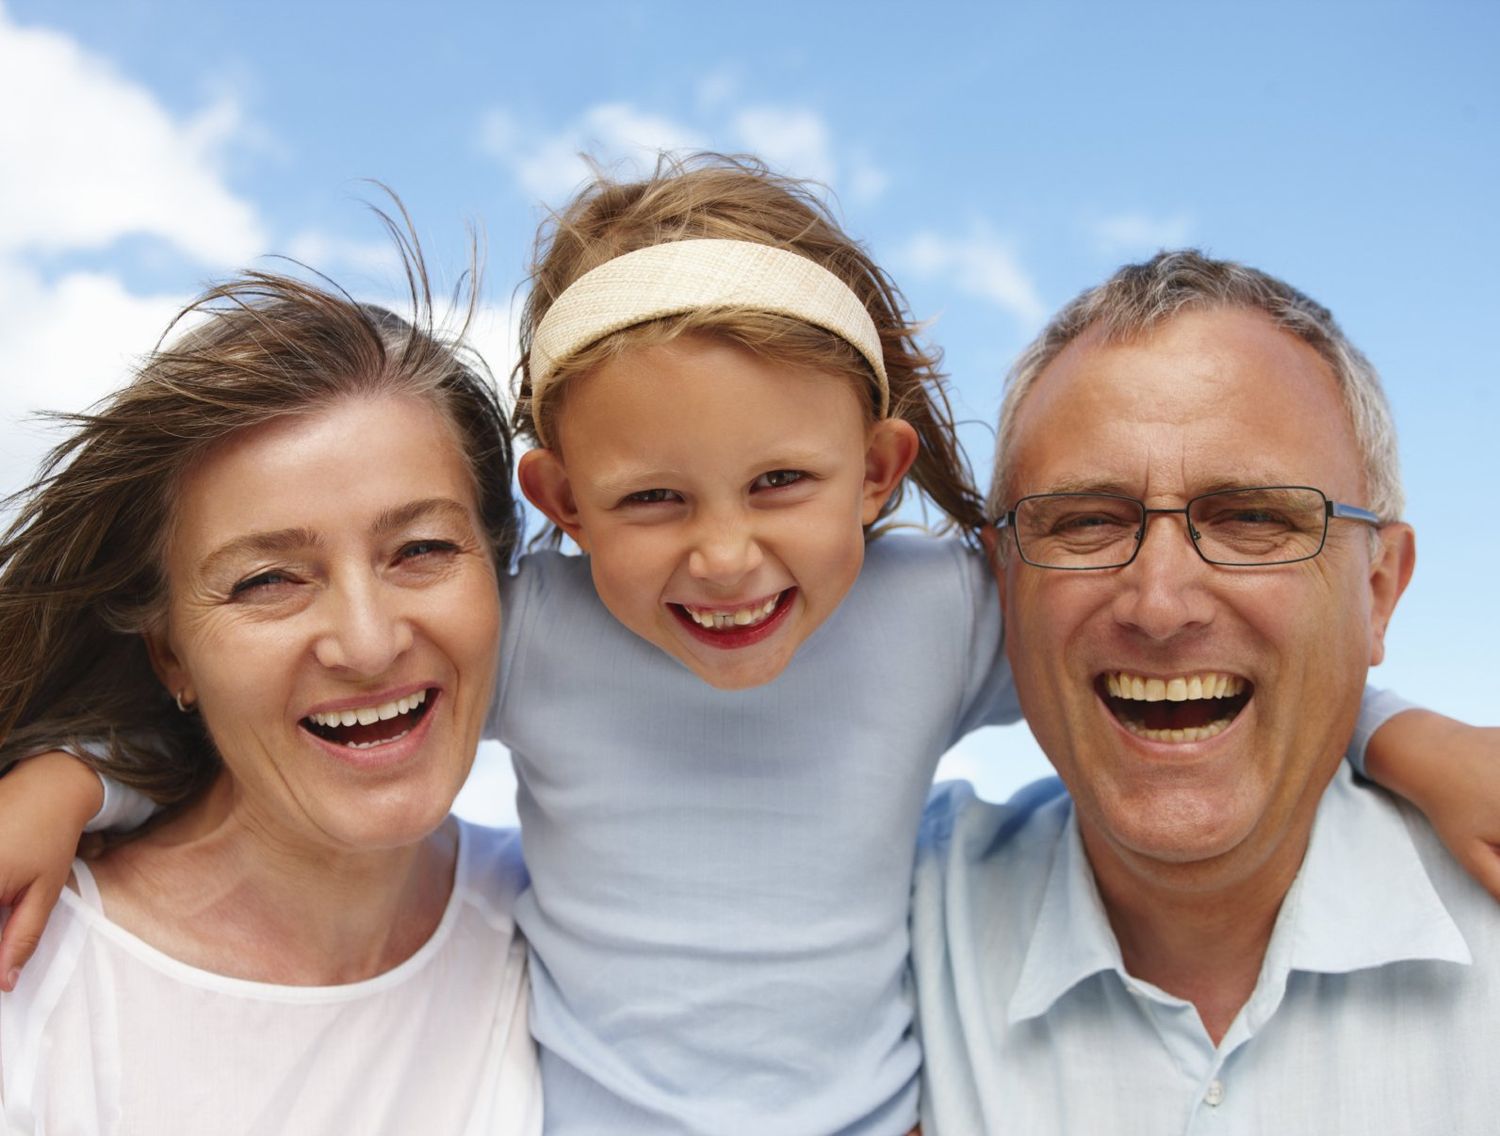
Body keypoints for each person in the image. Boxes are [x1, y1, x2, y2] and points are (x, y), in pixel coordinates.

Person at [3, 159, 1497, 1136]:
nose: (724, 560)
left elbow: (1169, 657)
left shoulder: (929, 613)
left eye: (781, 485)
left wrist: (1408, 742)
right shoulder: (534, 635)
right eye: (653, 501)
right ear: (560, 504)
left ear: (877, 473)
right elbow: (331, 704)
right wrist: (77, 784)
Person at [912, 250, 1500, 1134]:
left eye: (1253, 517)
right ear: (1003, 586)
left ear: (1378, 591)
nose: (1160, 603)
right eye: (1086, 522)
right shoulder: (890, 924)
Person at [0, 256, 542, 1133]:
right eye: (266, 581)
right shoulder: (34, 980)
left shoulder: (558, 924)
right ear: (170, 654)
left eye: (422, 550)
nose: (368, 643)